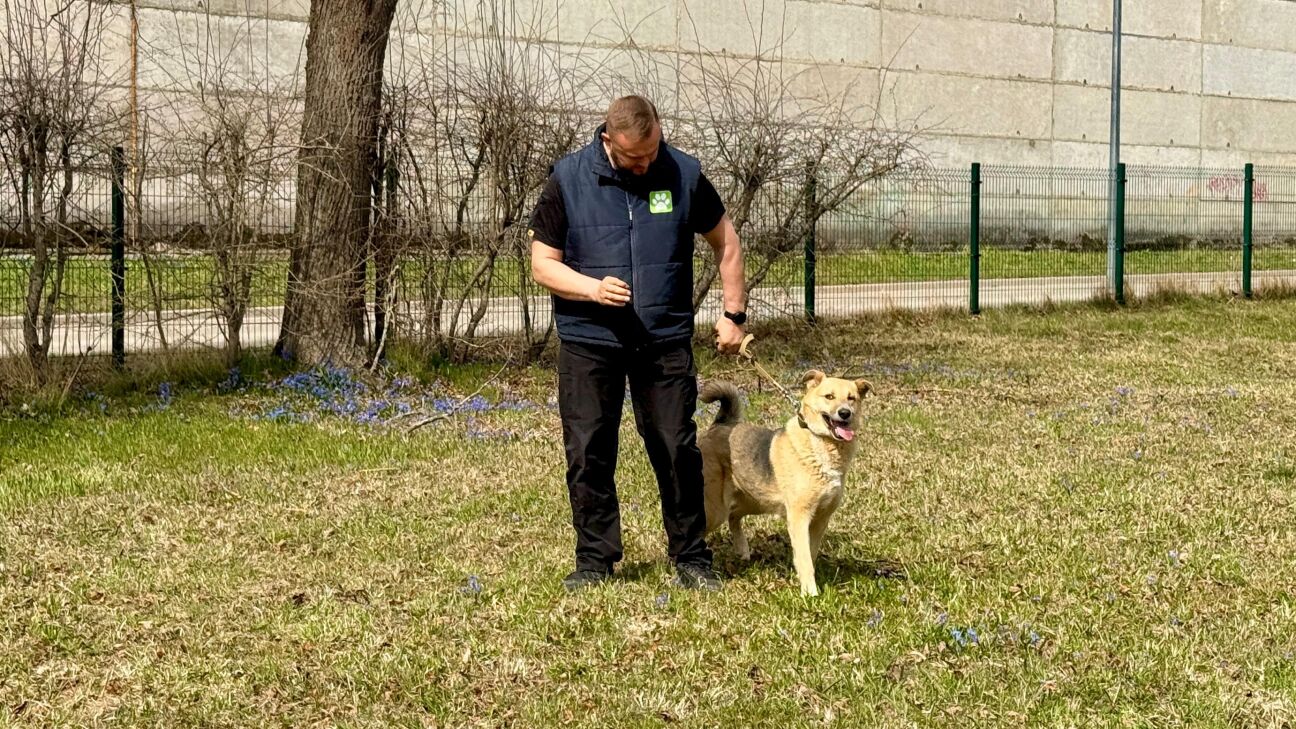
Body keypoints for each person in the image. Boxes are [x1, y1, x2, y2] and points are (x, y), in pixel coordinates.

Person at [528, 95, 748, 592]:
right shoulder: (568, 178)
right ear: (608, 141)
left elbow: (727, 242)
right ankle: (594, 561)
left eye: (652, 152)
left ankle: (691, 556)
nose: (646, 164)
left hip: (663, 339)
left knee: (675, 446)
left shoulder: (683, 173)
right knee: (589, 450)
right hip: (589, 340)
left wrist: (734, 315)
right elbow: (542, 262)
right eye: (633, 158)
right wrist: (592, 288)